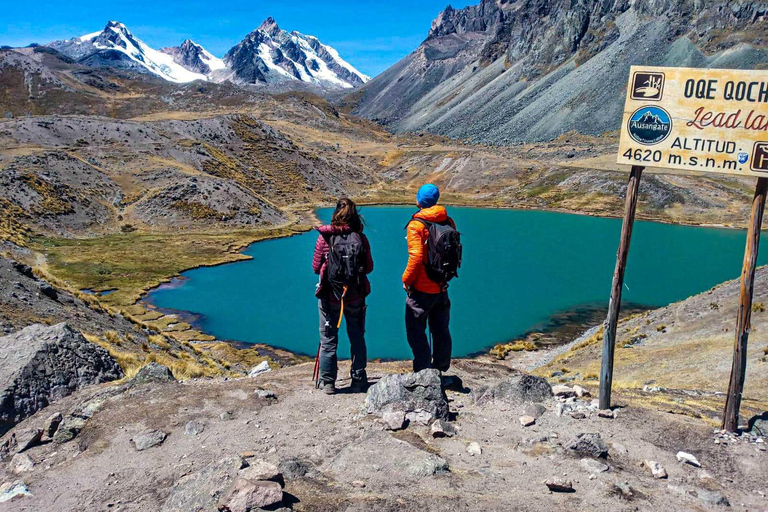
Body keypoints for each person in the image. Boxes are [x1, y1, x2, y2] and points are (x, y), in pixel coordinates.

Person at [312, 198, 373, 395]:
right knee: (357, 337)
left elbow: (315, 268)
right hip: (355, 297)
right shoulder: (361, 238)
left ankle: (328, 382)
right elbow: (369, 268)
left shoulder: (325, 237)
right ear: (355, 216)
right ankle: (358, 379)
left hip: (330, 297)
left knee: (328, 339)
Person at [402, 184, 458, 373]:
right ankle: (441, 368)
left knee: (416, 332)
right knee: (441, 329)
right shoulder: (448, 221)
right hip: (441, 285)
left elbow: (416, 257)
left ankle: (424, 371)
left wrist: (406, 280)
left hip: (421, 290)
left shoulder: (416, 225)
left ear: (419, 200)